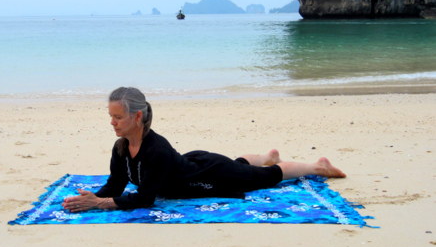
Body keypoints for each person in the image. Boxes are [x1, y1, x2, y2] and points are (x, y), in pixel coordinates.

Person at [62, 87, 346, 212]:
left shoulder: (155, 150)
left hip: (208, 175)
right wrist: (91, 197)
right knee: (239, 167)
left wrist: (99, 204)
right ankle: (266, 156)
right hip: (193, 163)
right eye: (110, 116)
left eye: (118, 117)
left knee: (264, 178)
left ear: (137, 117)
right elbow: (116, 183)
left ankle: (316, 166)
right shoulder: (121, 146)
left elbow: (145, 198)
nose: (112, 122)